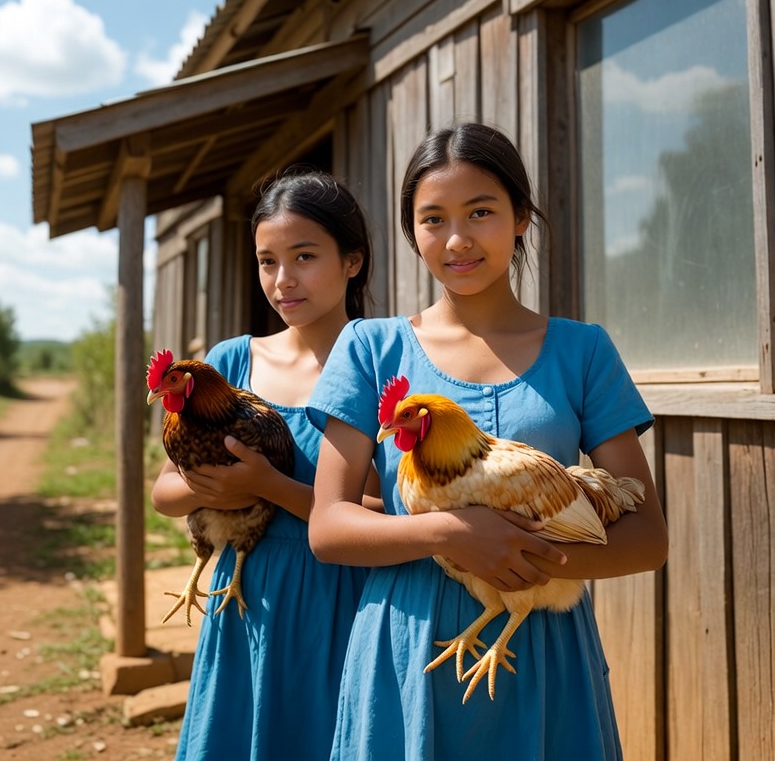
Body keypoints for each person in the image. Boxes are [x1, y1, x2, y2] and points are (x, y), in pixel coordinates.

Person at [307, 122, 668, 760]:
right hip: (406, 645)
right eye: (432, 219)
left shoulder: (582, 351)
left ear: (522, 217)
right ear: (411, 233)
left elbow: (646, 538)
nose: (456, 239)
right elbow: (329, 528)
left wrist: (516, 558)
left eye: (481, 212)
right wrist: (450, 534)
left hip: (543, 645)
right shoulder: (368, 348)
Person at [151, 169, 375, 761]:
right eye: (267, 260)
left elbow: (384, 510)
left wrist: (268, 486)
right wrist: (209, 490)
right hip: (244, 593)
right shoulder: (229, 363)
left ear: (352, 260)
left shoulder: (380, 362)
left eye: (304, 256)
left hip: (344, 595)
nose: (283, 280)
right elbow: (164, 492)